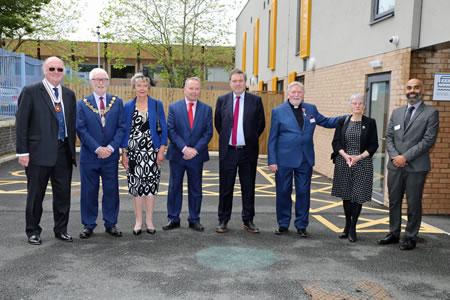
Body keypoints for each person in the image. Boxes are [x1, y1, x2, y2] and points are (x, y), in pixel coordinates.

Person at [15, 56, 77, 245]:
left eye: (60, 69)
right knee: (35, 195)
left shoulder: (68, 94)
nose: (56, 73)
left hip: (63, 152)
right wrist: (22, 152)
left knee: (63, 195)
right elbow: (22, 123)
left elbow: (71, 123)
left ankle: (61, 229)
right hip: (38, 153)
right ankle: (33, 231)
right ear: (44, 70)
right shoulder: (31, 91)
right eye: (52, 69)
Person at [267, 81, 341, 237]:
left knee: (303, 192)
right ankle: (283, 223)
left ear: (303, 94)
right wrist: (272, 160)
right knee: (283, 192)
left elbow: (326, 122)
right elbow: (272, 138)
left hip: (304, 159)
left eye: (299, 92)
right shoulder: (278, 111)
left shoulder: (311, 109)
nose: (296, 95)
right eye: (293, 92)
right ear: (288, 94)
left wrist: (347, 118)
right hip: (283, 160)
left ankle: (301, 225)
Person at [377, 78, 439, 250]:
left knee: (413, 203)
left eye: (416, 87)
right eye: (409, 87)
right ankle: (394, 233)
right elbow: (389, 137)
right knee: (394, 201)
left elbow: (428, 141)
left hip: (416, 167)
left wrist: (405, 157)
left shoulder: (431, 113)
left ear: (422, 90)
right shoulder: (396, 112)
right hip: (395, 165)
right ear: (405, 90)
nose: (412, 90)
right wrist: (396, 156)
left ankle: (411, 236)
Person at [76, 68, 126, 239]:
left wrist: (111, 148)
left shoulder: (117, 102)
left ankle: (111, 223)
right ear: (90, 82)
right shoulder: (81, 104)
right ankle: (88, 224)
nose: (100, 83)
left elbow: (121, 127)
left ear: (107, 81)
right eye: (96, 80)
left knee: (111, 191)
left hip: (110, 156)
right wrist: (98, 148)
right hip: (90, 156)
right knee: (89, 191)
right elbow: (81, 130)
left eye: (103, 79)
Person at [214, 68, 265, 233]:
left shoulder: (255, 100)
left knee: (248, 187)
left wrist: (248, 138)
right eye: (234, 81)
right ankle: (223, 220)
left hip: (247, 152)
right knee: (226, 187)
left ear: (245, 83)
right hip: (228, 152)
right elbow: (219, 124)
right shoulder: (222, 100)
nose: (237, 84)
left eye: (240, 81)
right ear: (230, 83)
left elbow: (260, 124)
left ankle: (248, 220)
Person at [164, 77, 213, 232]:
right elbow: (171, 130)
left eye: (197, 89)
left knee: (196, 188)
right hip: (178, 155)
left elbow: (208, 132)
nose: (194, 92)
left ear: (200, 91)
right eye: (191, 88)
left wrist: (195, 150)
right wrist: (185, 149)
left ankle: (194, 219)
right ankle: (173, 218)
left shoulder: (206, 109)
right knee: (174, 187)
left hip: (197, 156)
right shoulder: (174, 107)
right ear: (184, 89)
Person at [121, 73, 167, 235]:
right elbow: (124, 130)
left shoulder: (156, 105)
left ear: (149, 88)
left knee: (150, 187)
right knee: (136, 187)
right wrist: (124, 153)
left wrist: (161, 149)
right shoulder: (127, 107)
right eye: (139, 85)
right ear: (134, 88)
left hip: (151, 152)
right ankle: (138, 221)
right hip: (133, 153)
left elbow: (164, 128)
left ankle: (149, 221)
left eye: (145, 86)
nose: (142, 88)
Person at [331, 94, 378, 242]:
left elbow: (373, 145)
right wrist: (346, 156)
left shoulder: (370, 122)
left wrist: (359, 157)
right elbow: (336, 142)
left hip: (362, 163)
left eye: (360, 103)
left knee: (357, 196)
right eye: (354, 103)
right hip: (344, 163)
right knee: (346, 195)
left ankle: (353, 228)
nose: (357, 106)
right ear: (350, 105)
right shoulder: (342, 122)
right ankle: (346, 225)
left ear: (364, 106)